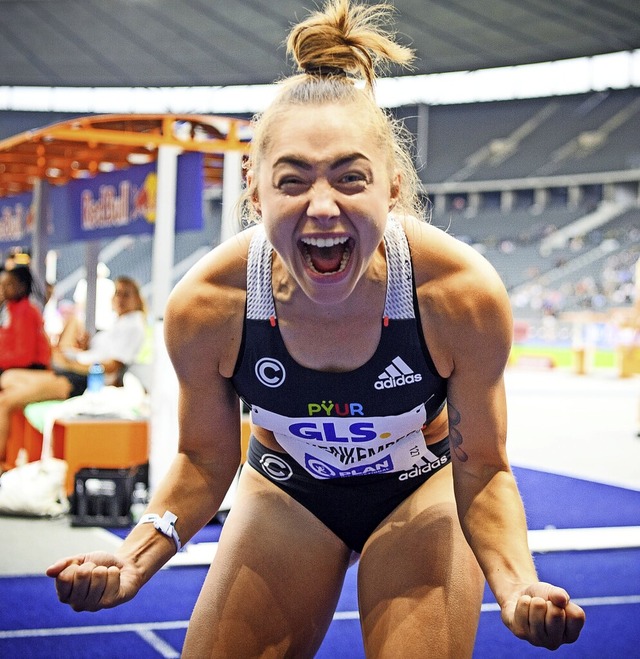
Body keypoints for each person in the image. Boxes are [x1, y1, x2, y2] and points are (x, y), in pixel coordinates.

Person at [45, 1, 585, 655]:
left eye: (350, 178)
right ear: (255, 190)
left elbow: (485, 466)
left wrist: (518, 583)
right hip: (287, 490)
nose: (323, 206)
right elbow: (203, 458)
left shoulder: (457, 293)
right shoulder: (209, 306)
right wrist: (137, 555)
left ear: (391, 186)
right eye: (293, 180)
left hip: (421, 490)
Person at [0, 276, 146, 460]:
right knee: (8, 378)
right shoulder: (119, 323)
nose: (120, 299)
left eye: (126, 295)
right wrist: (82, 350)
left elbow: (111, 366)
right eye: (117, 293)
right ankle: (29, 404)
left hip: (81, 379)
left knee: (5, 401)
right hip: (73, 369)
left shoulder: (133, 325)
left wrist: (74, 364)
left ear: (137, 298)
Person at [0, 264, 51, 466]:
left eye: (9, 285)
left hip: (30, 371)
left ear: (21, 286)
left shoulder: (27, 312)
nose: (4, 289)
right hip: (15, 369)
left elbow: (24, 356)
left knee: (5, 400)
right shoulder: (10, 310)